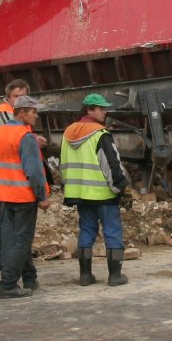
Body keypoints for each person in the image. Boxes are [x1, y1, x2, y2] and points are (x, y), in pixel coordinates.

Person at [61, 93, 131, 286]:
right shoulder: (100, 135)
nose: (105, 112)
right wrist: (121, 188)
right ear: (89, 110)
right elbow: (111, 165)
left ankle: (85, 276)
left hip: (80, 194)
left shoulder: (68, 134)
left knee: (86, 231)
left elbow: (63, 165)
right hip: (103, 195)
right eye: (101, 109)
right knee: (112, 232)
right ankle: (115, 276)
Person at [0, 95, 52, 298]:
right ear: (22, 112)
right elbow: (34, 172)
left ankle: (30, 278)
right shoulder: (26, 137)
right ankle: (7, 284)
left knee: (14, 239)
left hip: (5, 195)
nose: (36, 116)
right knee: (22, 241)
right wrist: (42, 196)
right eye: (33, 112)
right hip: (24, 196)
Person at [0, 80, 39, 272]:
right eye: (17, 97)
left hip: (10, 181)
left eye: (23, 96)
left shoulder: (15, 120)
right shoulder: (3, 115)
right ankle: (5, 272)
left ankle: (25, 275)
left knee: (13, 230)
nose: (20, 100)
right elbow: (12, 142)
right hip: (15, 184)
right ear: (8, 97)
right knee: (16, 233)